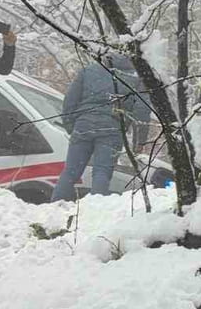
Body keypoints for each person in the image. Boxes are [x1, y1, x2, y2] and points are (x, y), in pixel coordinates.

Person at [51, 54, 151, 201]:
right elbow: (142, 111)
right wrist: (139, 142)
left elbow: (70, 101)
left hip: (83, 125)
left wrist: (71, 125)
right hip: (112, 129)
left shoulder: (90, 70)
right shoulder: (136, 79)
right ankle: (94, 210)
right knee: (102, 172)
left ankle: (55, 207)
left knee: (70, 172)